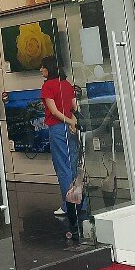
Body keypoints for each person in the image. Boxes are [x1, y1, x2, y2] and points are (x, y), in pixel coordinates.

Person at [40, 57, 84, 217]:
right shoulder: (66, 84)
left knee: (62, 167)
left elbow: (53, 111)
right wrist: (73, 122)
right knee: (73, 166)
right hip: (71, 127)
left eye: (43, 67)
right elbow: (75, 107)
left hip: (58, 129)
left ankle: (68, 206)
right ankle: (81, 203)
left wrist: (69, 122)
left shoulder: (47, 86)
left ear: (49, 68)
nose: (41, 70)